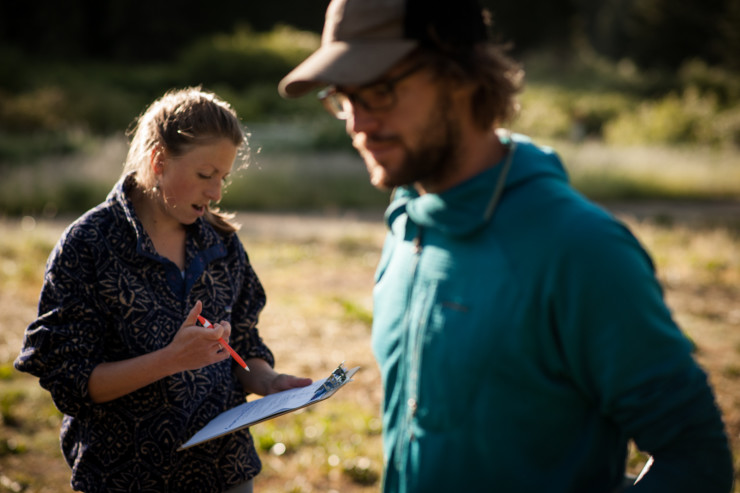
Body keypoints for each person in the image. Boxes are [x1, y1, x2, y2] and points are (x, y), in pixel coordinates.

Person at [278, 0, 735, 492]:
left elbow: (695, 458)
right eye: (344, 98)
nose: (356, 124)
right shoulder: (407, 221)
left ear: (462, 76)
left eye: (380, 92)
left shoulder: (580, 249)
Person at [14, 87, 312, 493]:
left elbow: (242, 343)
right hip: (127, 477)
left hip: (225, 472)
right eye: (205, 175)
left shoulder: (221, 242)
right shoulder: (89, 244)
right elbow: (71, 381)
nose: (216, 193)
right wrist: (171, 359)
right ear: (158, 161)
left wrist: (271, 383)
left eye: (223, 177)